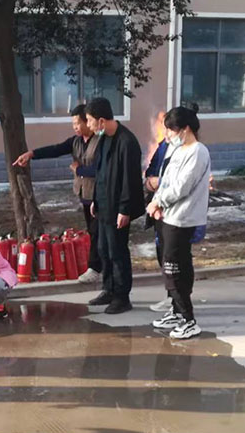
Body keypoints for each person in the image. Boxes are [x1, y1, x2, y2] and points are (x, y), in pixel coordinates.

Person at [13, 104, 102, 284]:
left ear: (88, 121)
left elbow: (102, 170)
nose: (75, 127)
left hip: (100, 195)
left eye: (78, 123)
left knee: (98, 232)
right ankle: (99, 267)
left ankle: (96, 268)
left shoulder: (100, 142)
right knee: (94, 232)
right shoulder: (75, 141)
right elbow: (55, 149)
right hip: (85, 194)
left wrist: (79, 170)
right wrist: (31, 154)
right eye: (73, 124)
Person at [145, 104, 210, 340]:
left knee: (174, 268)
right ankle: (176, 311)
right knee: (171, 264)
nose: (168, 134)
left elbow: (182, 187)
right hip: (168, 216)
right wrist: (157, 203)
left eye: (171, 129)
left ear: (185, 129)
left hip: (182, 218)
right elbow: (166, 181)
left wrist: (158, 202)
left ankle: (188, 319)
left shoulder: (198, 151)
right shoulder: (178, 150)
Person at [85, 97, 145, 314]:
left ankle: (122, 296)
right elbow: (100, 173)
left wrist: (125, 209)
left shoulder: (127, 142)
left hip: (118, 208)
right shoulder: (104, 139)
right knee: (103, 249)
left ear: (101, 120)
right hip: (103, 205)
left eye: (90, 120)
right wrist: (95, 199)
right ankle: (108, 289)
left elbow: (130, 179)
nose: (89, 125)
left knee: (117, 252)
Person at [144, 136, 172, 313]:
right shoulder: (164, 145)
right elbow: (152, 168)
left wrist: (159, 182)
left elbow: (180, 181)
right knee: (162, 253)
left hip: (174, 212)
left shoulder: (190, 151)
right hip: (158, 210)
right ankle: (171, 296)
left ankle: (177, 300)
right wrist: (150, 182)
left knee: (174, 257)